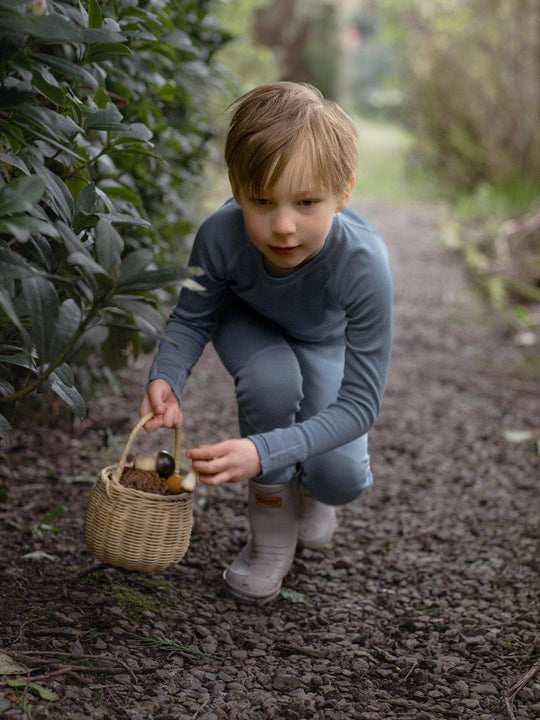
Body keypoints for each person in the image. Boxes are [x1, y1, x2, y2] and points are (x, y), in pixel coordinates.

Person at [139, 81, 393, 603]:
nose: (282, 226)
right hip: (249, 323)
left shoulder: (363, 264)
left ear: (344, 191)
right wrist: (166, 374)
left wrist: (262, 449)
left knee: (340, 478)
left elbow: (362, 406)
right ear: (236, 187)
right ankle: (270, 538)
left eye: (306, 202)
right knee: (272, 380)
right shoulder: (219, 236)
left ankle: (312, 493)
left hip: (325, 340)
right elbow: (192, 318)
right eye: (261, 201)